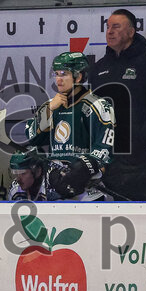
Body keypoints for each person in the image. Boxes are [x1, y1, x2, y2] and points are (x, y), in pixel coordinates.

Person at [91, 8, 146, 201]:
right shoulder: (98, 69)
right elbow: (95, 115)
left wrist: (137, 143)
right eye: (108, 27)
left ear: (131, 32)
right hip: (112, 167)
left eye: (116, 27)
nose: (109, 31)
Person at [23, 52, 115, 201]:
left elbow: (106, 145)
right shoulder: (53, 105)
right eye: (56, 74)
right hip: (55, 189)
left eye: (64, 74)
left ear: (78, 77)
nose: (58, 80)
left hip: (87, 192)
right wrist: (48, 110)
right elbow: (33, 138)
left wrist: (83, 168)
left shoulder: (97, 105)